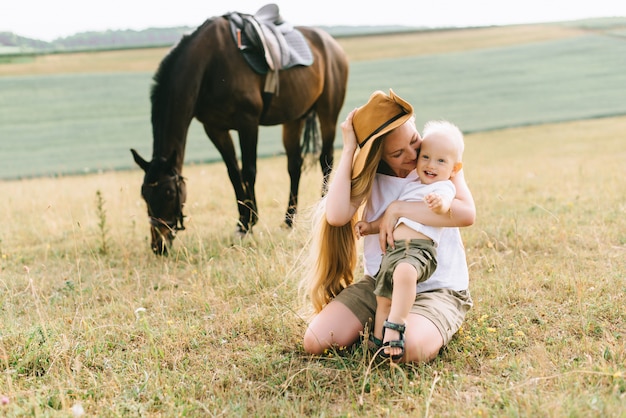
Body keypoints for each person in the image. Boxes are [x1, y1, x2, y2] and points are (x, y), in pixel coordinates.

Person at [301, 89, 475, 363]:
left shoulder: (437, 162)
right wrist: (349, 149)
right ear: (379, 156)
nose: (412, 155)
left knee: (409, 351)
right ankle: (385, 321)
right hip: (381, 284)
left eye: (414, 141)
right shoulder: (375, 178)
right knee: (317, 340)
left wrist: (398, 209)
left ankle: (419, 322)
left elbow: (466, 214)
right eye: (397, 153)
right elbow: (336, 216)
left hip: (437, 288)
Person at [354, 120, 465, 360]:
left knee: (404, 273)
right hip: (393, 253)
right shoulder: (412, 184)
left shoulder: (443, 187)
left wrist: (440, 204)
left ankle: (396, 325)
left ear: (454, 169)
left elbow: (448, 205)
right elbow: (389, 219)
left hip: (417, 251)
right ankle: (378, 344)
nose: (430, 165)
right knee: (384, 297)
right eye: (425, 157)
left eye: (441, 161)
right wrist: (370, 226)